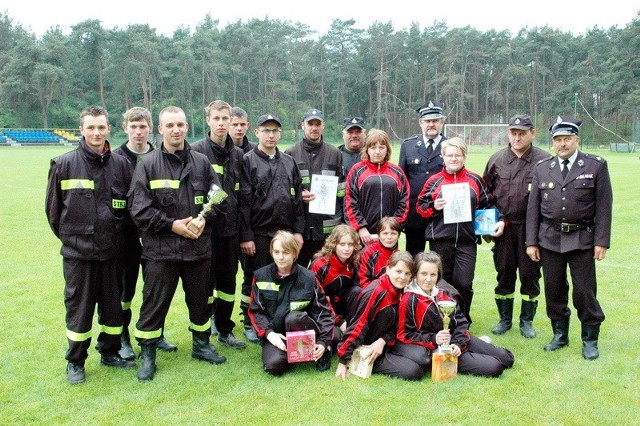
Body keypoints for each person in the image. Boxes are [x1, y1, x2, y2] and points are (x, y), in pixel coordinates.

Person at [128, 106, 226, 382]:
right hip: (162, 252)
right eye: (169, 125)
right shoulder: (147, 164)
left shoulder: (201, 162)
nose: (176, 130)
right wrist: (172, 225)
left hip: (198, 249)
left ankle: (202, 345)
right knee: (153, 305)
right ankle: (148, 354)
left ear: (187, 126)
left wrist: (205, 220)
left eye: (180, 124)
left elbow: (217, 199)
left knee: (200, 303)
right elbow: (139, 210)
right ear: (160, 129)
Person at [45, 105, 136, 384]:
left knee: (112, 309)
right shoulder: (63, 164)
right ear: (81, 130)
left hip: (113, 254)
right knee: (79, 310)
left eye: (101, 127)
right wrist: (75, 240)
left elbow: (130, 208)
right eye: (91, 127)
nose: (96, 132)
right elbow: (53, 213)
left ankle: (109, 353)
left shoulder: (122, 165)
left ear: (109, 129)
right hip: (79, 255)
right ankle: (75, 362)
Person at [526, 116, 613, 360]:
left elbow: (604, 207)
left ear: (577, 139)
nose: (562, 144)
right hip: (549, 239)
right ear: (552, 142)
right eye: (558, 140)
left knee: (584, 291)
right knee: (553, 289)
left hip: (582, 239)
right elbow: (533, 209)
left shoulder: (595, 165)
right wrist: (531, 242)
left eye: (567, 139)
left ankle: (590, 340)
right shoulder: (543, 168)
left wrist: (601, 241)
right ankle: (560, 335)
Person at [113, 107, 178, 361]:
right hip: (126, 239)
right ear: (125, 128)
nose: (138, 132)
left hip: (157, 236)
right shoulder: (116, 158)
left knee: (155, 291)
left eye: (143, 127)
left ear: (151, 128)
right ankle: (122, 338)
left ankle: (156, 334)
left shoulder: (159, 156)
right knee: (124, 292)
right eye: (133, 126)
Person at [416, 137, 504, 324]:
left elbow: (487, 204)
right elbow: (420, 208)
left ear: (464, 157)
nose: (454, 159)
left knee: (464, 283)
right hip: (440, 241)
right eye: (450, 155)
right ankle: (442, 320)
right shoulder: (434, 181)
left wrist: (494, 223)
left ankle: (463, 320)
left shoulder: (475, 179)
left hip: (466, 241)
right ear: (442, 157)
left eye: (458, 155)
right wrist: (434, 206)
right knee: (441, 282)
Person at [393, 252, 515, 380]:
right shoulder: (409, 299)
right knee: (494, 367)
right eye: (424, 274)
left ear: (438, 276)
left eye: (433, 274)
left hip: (457, 340)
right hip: (437, 349)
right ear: (415, 274)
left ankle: (475, 346)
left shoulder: (443, 293)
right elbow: (406, 334)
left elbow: (461, 322)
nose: (428, 279)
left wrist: (457, 343)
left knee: (507, 358)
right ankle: (470, 354)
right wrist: (434, 338)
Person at [238, 113, 305, 343]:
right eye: (266, 130)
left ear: (280, 134)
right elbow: (243, 203)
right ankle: (249, 321)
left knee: (283, 278)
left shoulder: (288, 161)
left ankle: (277, 321)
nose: (271, 135)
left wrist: (298, 231)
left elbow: (297, 200)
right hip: (258, 234)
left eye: (275, 131)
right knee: (254, 279)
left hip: (284, 234)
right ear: (256, 133)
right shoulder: (247, 161)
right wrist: (246, 236)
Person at [483, 114, 550, 338]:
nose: (517, 137)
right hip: (505, 228)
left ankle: (527, 321)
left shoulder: (544, 160)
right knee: (504, 273)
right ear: (508, 134)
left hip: (532, 230)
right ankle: (504, 319)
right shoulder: (496, 160)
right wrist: (493, 222)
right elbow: (487, 196)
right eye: (514, 133)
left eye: (522, 133)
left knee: (530, 275)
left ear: (533, 133)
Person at [192, 100, 246, 349]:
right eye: (217, 118)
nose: (222, 123)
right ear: (208, 120)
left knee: (227, 284)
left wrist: (243, 232)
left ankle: (224, 329)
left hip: (230, 231)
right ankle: (202, 332)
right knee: (203, 284)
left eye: (226, 118)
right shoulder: (196, 152)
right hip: (206, 232)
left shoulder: (237, 154)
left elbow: (242, 195)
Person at [248, 231, 335, 376]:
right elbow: (256, 311)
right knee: (273, 367)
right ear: (271, 252)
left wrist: (323, 342)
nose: (280, 257)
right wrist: (269, 335)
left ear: (295, 254)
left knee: (293, 318)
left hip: (303, 327)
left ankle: (324, 351)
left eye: (286, 252)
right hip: (277, 333)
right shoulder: (260, 276)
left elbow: (323, 312)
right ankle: (294, 353)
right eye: (276, 252)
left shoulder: (309, 278)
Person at [335, 251, 414, 380]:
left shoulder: (401, 290)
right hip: (367, 347)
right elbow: (358, 326)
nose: (402, 277)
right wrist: (343, 361)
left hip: (384, 342)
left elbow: (398, 325)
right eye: (398, 272)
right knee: (412, 371)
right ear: (388, 269)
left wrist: (382, 341)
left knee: (421, 358)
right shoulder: (376, 292)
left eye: (407, 274)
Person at [285, 108, 344, 267]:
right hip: (301, 230)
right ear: (302, 125)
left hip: (326, 231)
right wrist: (299, 196)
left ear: (323, 126)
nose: (314, 127)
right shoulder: (290, 153)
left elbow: (342, 190)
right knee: (298, 274)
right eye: (310, 123)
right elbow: (284, 189)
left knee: (325, 274)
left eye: (318, 124)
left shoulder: (335, 153)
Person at [344, 128, 410, 245]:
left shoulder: (397, 172)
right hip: (364, 236)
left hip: (389, 235)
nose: (377, 152)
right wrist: (360, 227)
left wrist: (393, 227)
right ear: (367, 149)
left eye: (381, 147)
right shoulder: (357, 171)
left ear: (387, 149)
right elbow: (350, 202)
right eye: (373, 148)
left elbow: (404, 202)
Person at [399, 101, 446, 256]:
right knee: (412, 258)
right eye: (427, 121)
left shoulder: (451, 146)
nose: (431, 124)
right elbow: (402, 183)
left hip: (442, 215)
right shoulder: (408, 146)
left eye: (435, 121)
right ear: (421, 123)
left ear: (442, 121)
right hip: (414, 215)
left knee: (440, 261)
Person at [309, 224, 362, 343]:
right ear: (333, 245)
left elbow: (355, 293)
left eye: (350, 244)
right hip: (321, 308)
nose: (347, 248)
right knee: (336, 338)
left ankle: (351, 326)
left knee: (357, 291)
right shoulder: (320, 265)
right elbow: (319, 299)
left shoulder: (353, 263)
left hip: (339, 306)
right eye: (342, 244)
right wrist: (339, 321)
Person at [356, 216, 401, 288]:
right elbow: (362, 282)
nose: (389, 237)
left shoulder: (399, 255)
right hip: (371, 292)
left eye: (393, 233)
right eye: (385, 233)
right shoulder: (369, 252)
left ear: (398, 236)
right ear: (379, 235)